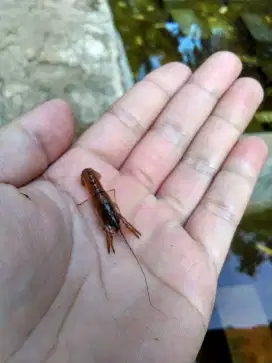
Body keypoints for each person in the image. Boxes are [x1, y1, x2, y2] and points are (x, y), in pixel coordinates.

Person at [0, 51, 267, 363]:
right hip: (96, 187)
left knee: (111, 215)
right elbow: (105, 216)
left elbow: (108, 215)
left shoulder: (102, 195)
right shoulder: (92, 187)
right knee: (110, 216)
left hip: (99, 190)